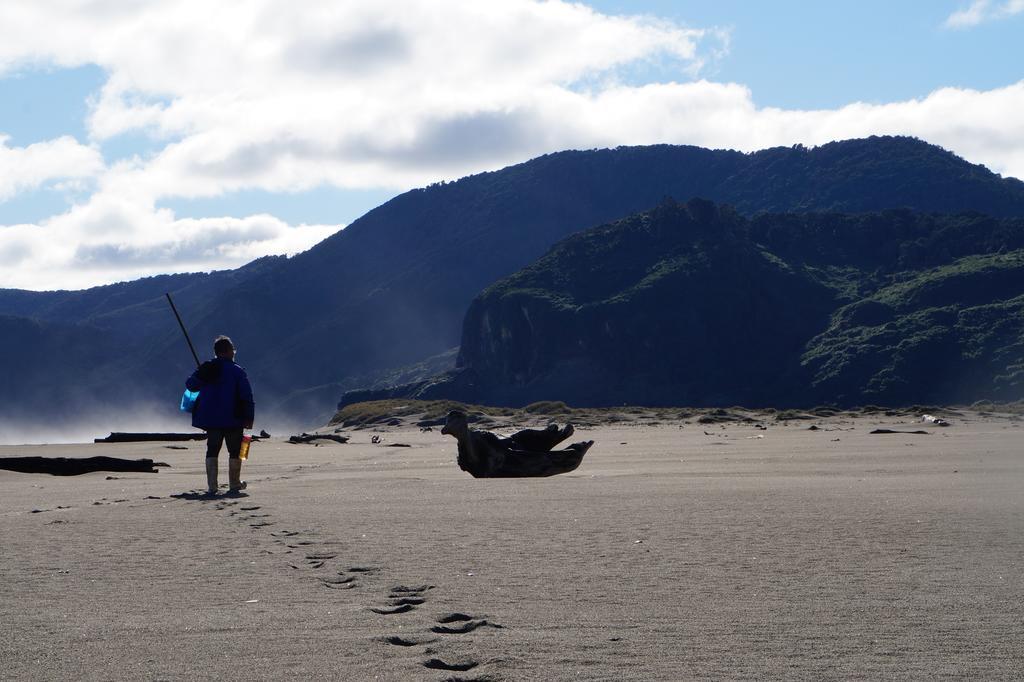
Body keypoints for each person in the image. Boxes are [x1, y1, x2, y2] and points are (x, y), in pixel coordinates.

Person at [186, 335, 255, 495]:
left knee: (212, 449)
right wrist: (249, 417)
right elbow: (247, 396)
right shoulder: (237, 371)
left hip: (211, 419)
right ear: (229, 351)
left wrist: (201, 372)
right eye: (233, 349)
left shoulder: (208, 369)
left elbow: (190, 385)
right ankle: (235, 484)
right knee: (236, 450)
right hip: (234, 418)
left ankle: (212, 487)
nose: (234, 352)